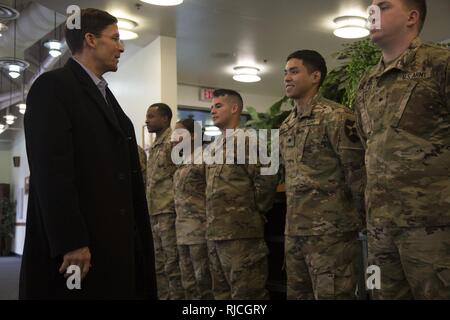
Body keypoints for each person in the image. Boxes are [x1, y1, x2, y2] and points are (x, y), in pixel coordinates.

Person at [20, 8, 156, 299]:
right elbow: (51, 171)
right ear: (91, 39)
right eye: (116, 39)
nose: (121, 47)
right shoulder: (53, 87)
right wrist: (71, 241)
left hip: (114, 241)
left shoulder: (105, 96)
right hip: (82, 247)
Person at [354, 0, 450, 299]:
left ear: (412, 17)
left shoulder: (440, 64)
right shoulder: (366, 84)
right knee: (380, 294)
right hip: (380, 230)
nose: (371, 13)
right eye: (369, 7)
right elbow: (365, 145)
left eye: (382, 6)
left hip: (433, 228)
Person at [279, 50, 365, 299]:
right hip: (295, 232)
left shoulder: (337, 116)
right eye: (285, 72)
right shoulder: (287, 125)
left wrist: (361, 220)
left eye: (294, 71)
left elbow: (357, 173)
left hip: (331, 234)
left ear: (315, 76)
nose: (287, 78)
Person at [205, 89, 277, 300]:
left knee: (247, 295)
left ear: (235, 108)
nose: (213, 111)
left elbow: (267, 181)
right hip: (215, 234)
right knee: (221, 295)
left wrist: (251, 212)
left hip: (242, 235)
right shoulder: (214, 147)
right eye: (211, 107)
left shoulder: (251, 140)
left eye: (218, 106)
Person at [145, 103, 185, 300]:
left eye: (151, 116)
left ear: (165, 118)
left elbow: (182, 176)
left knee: (172, 264)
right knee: (158, 265)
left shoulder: (174, 141)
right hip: (154, 212)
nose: (147, 120)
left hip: (169, 211)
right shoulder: (155, 144)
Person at [172, 118, 213, 300]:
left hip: (200, 231)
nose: (174, 138)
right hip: (183, 232)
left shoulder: (207, 157)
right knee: (189, 285)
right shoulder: (183, 161)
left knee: (204, 285)